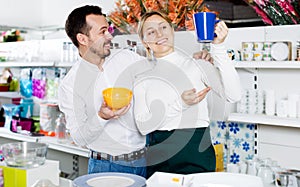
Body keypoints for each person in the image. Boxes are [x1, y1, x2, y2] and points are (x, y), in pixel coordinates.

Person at [58, 5, 212, 178]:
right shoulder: (70, 85)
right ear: (83, 39)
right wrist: (102, 116)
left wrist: (196, 58)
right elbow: (79, 138)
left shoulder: (126, 58)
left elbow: (162, 69)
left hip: (146, 161)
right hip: (106, 166)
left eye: (108, 29)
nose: (110, 35)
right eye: (102, 32)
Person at [133, 11, 242, 178]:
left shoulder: (197, 64)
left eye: (163, 27)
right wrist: (181, 104)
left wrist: (218, 47)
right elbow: (143, 126)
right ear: (144, 41)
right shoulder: (142, 78)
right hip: (158, 155)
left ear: (172, 30)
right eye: (151, 31)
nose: (159, 34)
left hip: (196, 151)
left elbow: (233, 95)